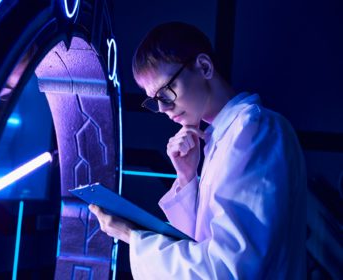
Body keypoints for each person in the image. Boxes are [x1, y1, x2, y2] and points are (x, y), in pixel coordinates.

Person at [89, 22, 307, 279]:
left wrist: (131, 234)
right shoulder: (224, 137)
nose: (164, 109)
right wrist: (187, 177)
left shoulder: (255, 129)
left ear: (204, 67)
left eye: (166, 93)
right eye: (155, 101)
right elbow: (200, 244)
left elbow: (228, 269)